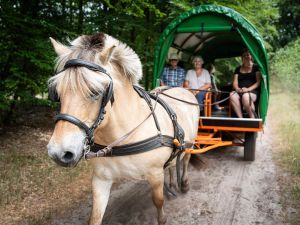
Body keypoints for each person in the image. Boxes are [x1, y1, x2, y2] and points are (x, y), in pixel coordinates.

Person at [229, 49, 261, 118]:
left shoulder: (256, 67)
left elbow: (258, 82)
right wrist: (237, 89)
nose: (246, 56)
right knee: (232, 94)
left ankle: (252, 119)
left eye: (248, 55)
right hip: (240, 91)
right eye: (244, 55)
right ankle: (241, 118)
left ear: (251, 56)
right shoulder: (238, 68)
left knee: (245, 96)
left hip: (252, 91)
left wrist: (248, 89)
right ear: (242, 58)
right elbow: (235, 82)